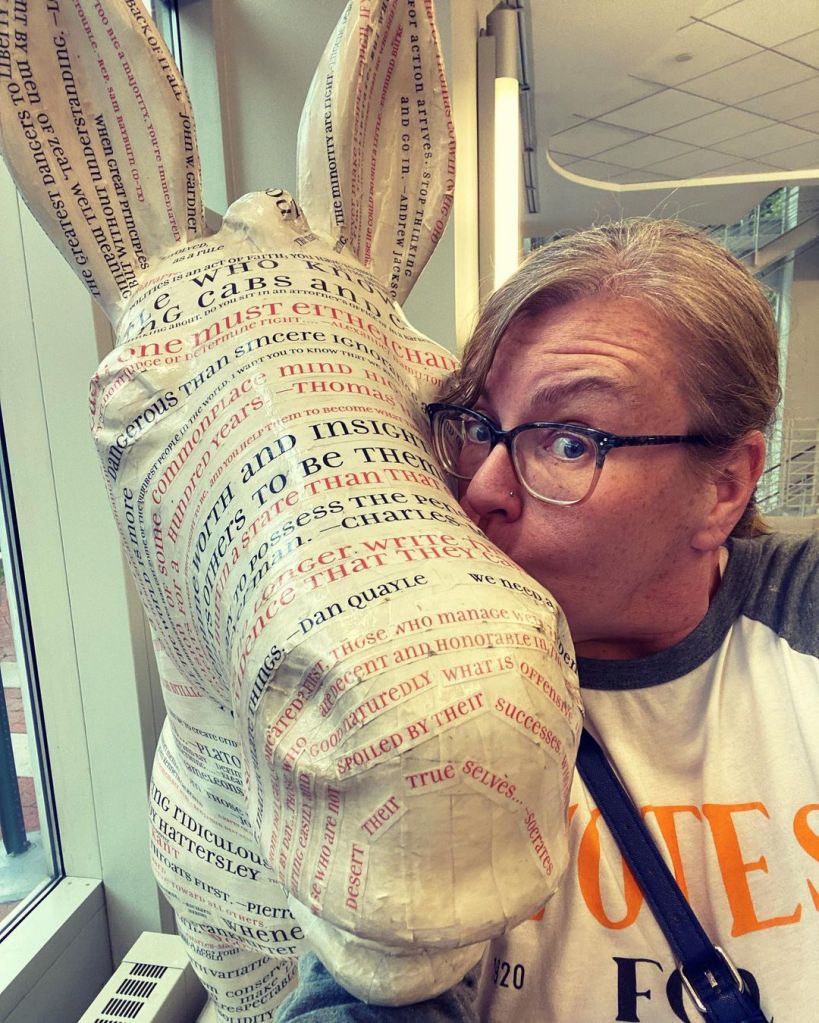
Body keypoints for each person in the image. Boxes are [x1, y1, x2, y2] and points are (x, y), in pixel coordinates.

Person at [272, 218, 818, 1022]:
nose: (483, 489)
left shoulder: (796, 611)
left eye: (568, 442)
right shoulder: (426, 695)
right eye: (478, 428)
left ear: (724, 488)